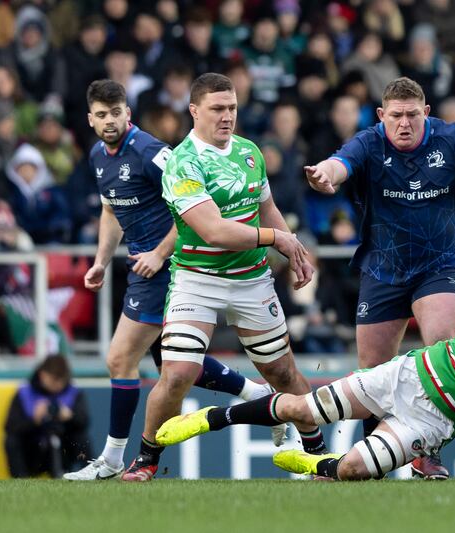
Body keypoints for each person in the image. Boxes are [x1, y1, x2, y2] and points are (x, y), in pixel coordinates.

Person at [154, 272, 455, 482]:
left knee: (353, 472)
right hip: (408, 375)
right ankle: (213, 418)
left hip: (432, 422)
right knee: (301, 407)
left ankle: (313, 463)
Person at [303, 76, 455, 479]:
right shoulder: (370, 141)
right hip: (382, 269)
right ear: (382, 115)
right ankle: (372, 460)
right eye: (396, 116)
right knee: (372, 372)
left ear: (426, 113)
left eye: (412, 115)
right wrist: (326, 174)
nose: (404, 124)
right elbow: (340, 163)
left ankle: (427, 453)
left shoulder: (450, 138)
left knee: (444, 347)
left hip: (438, 267)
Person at [64, 80, 282, 482]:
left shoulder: (153, 153)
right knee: (174, 363)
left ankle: (113, 458)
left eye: (116, 113)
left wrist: (159, 254)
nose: (110, 121)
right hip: (140, 266)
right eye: (101, 115)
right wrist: (100, 261)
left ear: (128, 113)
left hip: (169, 267)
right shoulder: (98, 155)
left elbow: (189, 210)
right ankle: (255, 393)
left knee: (120, 359)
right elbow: (111, 212)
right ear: (90, 119)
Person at [121, 73, 324, 482]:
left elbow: (266, 208)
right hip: (197, 278)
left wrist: (293, 250)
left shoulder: (250, 152)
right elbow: (214, 230)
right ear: (194, 111)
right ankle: (145, 457)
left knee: (283, 373)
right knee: (177, 373)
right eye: (217, 108)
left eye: (231, 107)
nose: (227, 115)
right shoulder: (182, 163)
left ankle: (320, 453)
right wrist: (279, 238)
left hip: (252, 279)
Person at [4, 355, 91, 478]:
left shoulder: (73, 392)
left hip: (63, 449)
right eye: (54, 380)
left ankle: (89, 473)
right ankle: (20, 477)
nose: (57, 386)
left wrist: (70, 417)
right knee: (12, 440)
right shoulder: (25, 393)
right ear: (42, 375)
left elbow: (84, 422)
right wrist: (34, 420)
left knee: (81, 437)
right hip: (33, 450)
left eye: (61, 381)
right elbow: (10, 427)